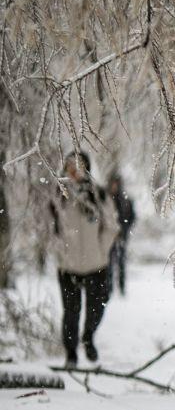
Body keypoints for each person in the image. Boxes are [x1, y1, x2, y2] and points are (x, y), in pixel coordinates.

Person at [49, 152, 119, 368]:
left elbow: (112, 226)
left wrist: (101, 250)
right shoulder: (58, 196)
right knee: (70, 312)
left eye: (77, 166)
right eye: (69, 166)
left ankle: (88, 337)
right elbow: (50, 229)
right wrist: (60, 252)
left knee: (96, 308)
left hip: (96, 265)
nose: (73, 170)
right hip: (68, 267)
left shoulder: (98, 195)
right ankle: (71, 354)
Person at [106, 171, 136, 296]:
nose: (114, 185)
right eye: (113, 183)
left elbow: (132, 217)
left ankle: (121, 288)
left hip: (121, 237)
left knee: (121, 264)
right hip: (108, 238)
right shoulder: (106, 199)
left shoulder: (126, 200)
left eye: (116, 183)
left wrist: (124, 230)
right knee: (108, 265)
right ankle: (110, 288)